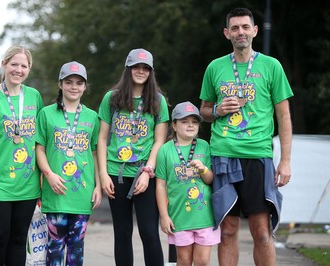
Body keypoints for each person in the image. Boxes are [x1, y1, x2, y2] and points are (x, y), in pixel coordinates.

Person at [199, 7, 293, 266]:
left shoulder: (271, 66)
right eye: (235, 28)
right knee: (227, 231)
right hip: (223, 155)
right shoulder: (215, 67)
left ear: (255, 31)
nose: (240, 32)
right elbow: (203, 111)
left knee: (262, 232)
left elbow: (284, 117)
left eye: (245, 27)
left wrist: (285, 161)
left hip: (258, 156)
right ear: (227, 33)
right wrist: (217, 110)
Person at [0, 45, 44, 266]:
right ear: (4, 64)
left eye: (24, 66)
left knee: (19, 240)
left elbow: (40, 140)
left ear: (29, 69)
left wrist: (42, 177)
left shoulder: (34, 97)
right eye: (14, 64)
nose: (18, 70)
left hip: (28, 185)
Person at [98, 48, 169, 266]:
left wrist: (148, 172)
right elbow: (101, 139)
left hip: (144, 173)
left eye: (145, 68)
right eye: (136, 67)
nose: (140, 71)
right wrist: (103, 175)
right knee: (122, 232)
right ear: (128, 69)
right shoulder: (112, 98)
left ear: (151, 71)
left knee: (149, 232)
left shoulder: (157, 100)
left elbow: (159, 141)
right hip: (116, 173)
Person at [35, 61, 102, 265]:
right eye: (69, 82)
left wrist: (98, 186)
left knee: (76, 248)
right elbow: (39, 149)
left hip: (82, 193)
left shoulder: (92, 117)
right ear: (60, 84)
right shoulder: (46, 114)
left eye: (79, 83)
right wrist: (49, 175)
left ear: (85, 86)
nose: (74, 87)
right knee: (54, 247)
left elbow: (96, 154)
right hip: (56, 191)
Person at [155, 102, 220, 266]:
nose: (190, 125)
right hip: (179, 217)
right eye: (184, 121)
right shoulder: (165, 150)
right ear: (174, 126)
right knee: (183, 260)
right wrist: (164, 216)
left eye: (194, 121)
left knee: (203, 261)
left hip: (205, 216)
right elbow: (161, 185)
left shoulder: (204, 146)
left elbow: (211, 179)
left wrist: (203, 169)